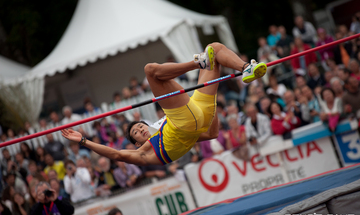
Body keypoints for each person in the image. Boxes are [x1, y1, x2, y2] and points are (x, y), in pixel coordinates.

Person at [61, 43, 267, 165]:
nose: (140, 129)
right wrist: (83, 142)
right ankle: (198, 63)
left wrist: (210, 105)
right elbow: (116, 154)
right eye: (136, 133)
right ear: (137, 144)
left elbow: (211, 134)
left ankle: (246, 68)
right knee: (150, 70)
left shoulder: (162, 125)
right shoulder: (146, 152)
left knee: (215, 48)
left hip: (197, 114)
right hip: (187, 120)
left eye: (140, 126)